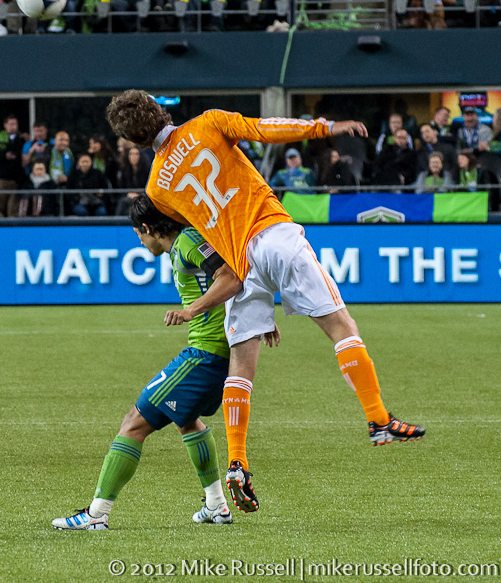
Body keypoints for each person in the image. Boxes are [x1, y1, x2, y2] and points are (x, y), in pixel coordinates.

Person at [105, 90, 425, 514]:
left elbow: (202, 232)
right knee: (341, 328)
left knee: (241, 365)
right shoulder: (207, 123)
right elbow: (267, 129)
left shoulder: (156, 189)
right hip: (273, 233)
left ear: (133, 140)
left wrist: (253, 292)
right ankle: (379, 419)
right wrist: (325, 127)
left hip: (241, 263)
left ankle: (237, 461)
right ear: (159, 111)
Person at [52, 194, 274, 531]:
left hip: (205, 355)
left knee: (133, 422)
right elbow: (239, 271)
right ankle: (216, 506)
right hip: (219, 354)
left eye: (138, 235)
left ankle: (97, 513)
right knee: (187, 420)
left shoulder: (188, 242)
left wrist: (191, 310)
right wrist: (260, 317)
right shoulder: (188, 242)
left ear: (147, 228)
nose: (140, 242)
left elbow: (231, 277)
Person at [0, 114, 25, 217]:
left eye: (15, 124)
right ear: (5, 125)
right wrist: (4, 156)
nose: (13, 127)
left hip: (15, 179)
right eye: (11, 124)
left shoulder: (21, 139)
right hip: (0, 178)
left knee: (13, 210)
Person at [114, 145, 150, 215]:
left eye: (136, 154)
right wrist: (128, 194)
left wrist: (138, 194)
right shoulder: (124, 170)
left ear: (140, 156)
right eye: (131, 154)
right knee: (123, 203)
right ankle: (116, 220)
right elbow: (121, 187)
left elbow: (148, 187)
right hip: (128, 196)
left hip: (142, 197)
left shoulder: (146, 170)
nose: (133, 156)